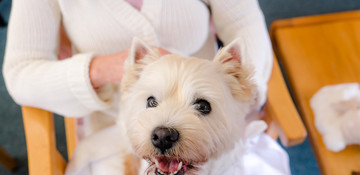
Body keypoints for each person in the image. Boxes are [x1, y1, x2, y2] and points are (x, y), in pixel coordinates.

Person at [3, 0, 272, 134]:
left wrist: (244, 93)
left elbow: (243, 19)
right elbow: (20, 74)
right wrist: (103, 69)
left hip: (216, 114)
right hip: (114, 126)